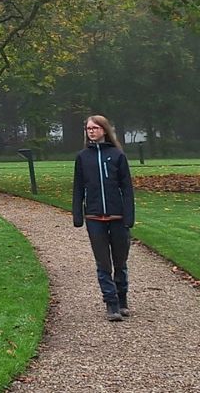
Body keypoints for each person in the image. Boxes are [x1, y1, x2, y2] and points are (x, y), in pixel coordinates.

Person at [72, 114, 134, 321]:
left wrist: (128, 216)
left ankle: (122, 298)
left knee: (120, 261)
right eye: (89, 128)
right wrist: (78, 214)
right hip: (94, 216)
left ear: (104, 130)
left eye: (95, 128)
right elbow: (78, 188)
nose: (91, 131)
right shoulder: (82, 157)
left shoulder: (117, 155)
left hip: (117, 216)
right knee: (103, 263)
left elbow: (127, 188)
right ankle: (111, 303)